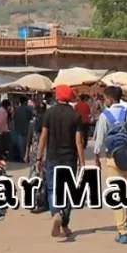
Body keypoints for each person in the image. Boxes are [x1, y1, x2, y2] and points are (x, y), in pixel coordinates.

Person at [93, 85, 127, 244]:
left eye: (105, 98)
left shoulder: (104, 116)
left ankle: (122, 232)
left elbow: (99, 140)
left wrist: (96, 158)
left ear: (109, 98)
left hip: (113, 159)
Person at [36, 85, 85, 239]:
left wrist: (39, 158)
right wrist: (83, 162)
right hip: (70, 158)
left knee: (52, 188)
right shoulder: (75, 115)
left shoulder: (49, 114)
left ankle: (56, 212)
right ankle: (64, 223)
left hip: (52, 157)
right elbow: (78, 142)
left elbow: (43, 137)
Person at [12, 96, 34, 163]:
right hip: (28, 131)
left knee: (21, 149)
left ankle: (22, 161)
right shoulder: (29, 109)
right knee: (29, 147)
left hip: (19, 132)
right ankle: (28, 160)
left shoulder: (17, 110)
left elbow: (14, 120)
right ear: (25, 102)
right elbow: (32, 118)